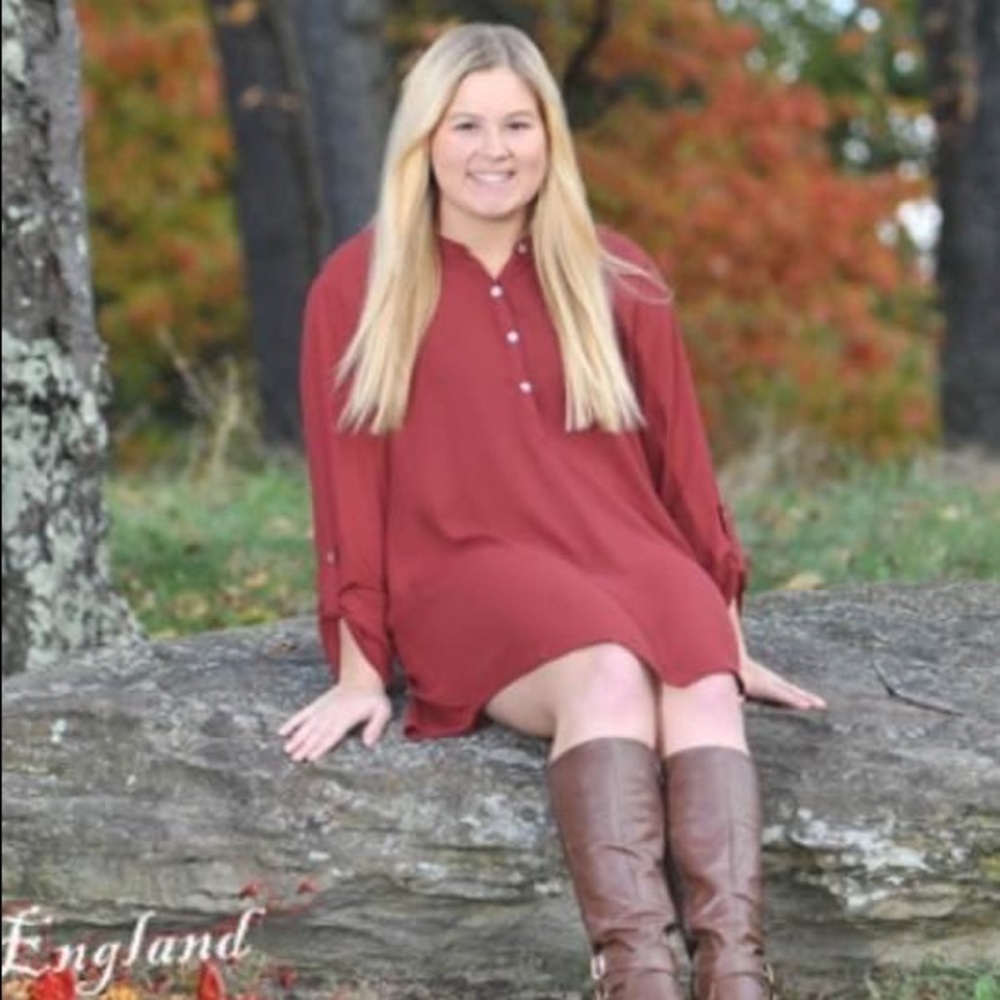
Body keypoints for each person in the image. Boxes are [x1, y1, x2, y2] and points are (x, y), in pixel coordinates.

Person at [279, 21, 826, 1000]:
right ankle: (633, 972)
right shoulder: (357, 286)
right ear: (424, 141)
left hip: (627, 548)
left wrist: (726, 628)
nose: (494, 150)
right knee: (610, 673)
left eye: (518, 125)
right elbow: (347, 490)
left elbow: (684, 468)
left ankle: (737, 973)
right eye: (467, 126)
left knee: (700, 681)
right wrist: (361, 668)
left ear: (549, 138)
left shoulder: (615, 273)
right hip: (467, 567)